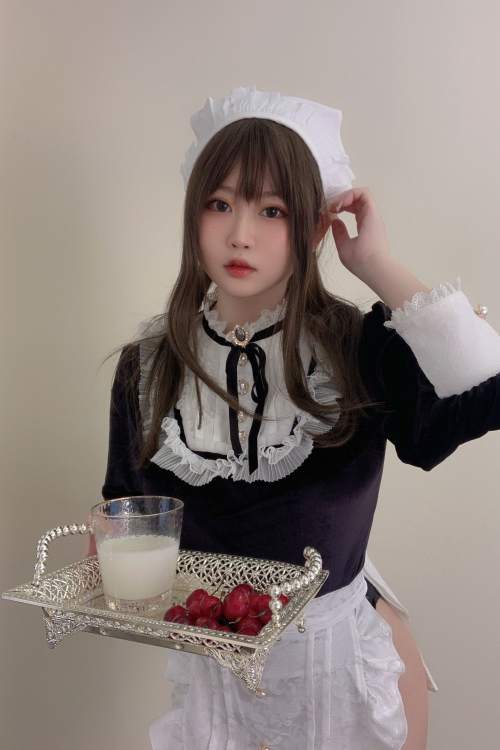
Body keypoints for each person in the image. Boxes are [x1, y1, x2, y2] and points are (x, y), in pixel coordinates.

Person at [91, 86, 500, 750]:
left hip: (350, 675)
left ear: (313, 228)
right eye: (219, 203)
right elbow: (127, 513)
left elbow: (486, 384)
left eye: (273, 210)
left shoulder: (357, 348)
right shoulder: (149, 366)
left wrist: (376, 264)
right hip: (216, 686)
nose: (240, 233)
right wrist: (107, 544)